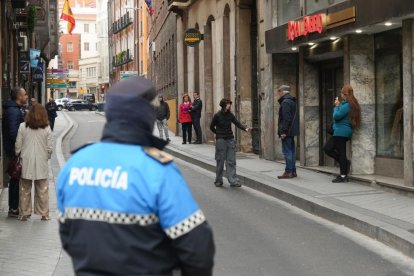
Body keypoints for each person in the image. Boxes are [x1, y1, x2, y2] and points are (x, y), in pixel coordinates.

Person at [57, 77, 215, 275]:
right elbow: (196, 246)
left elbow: (67, 235)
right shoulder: (156, 170)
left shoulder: (74, 165)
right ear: (145, 115)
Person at [15, 104, 53, 221]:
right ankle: (44, 213)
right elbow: (50, 147)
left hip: (26, 161)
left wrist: (18, 154)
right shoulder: (47, 127)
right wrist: (46, 156)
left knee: (24, 189)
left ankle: (24, 213)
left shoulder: (22, 126)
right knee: (43, 189)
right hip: (41, 161)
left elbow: (18, 145)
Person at [324, 85, 361, 183]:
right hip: (340, 132)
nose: (340, 95)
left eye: (341, 93)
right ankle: (344, 164)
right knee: (330, 149)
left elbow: (337, 116)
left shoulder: (348, 105)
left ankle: (343, 175)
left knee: (332, 150)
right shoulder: (347, 104)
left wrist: (336, 106)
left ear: (344, 94)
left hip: (341, 132)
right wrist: (339, 106)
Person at [210, 99, 251, 187]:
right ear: (224, 105)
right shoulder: (217, 115)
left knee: (231, 161)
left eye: (229, 104)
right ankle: (218, 180)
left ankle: (233, 180)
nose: (229, 105)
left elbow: (237, 123)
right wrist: (218, 134)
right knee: (220, 161)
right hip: (221, 141)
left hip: (230, 139)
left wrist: (245, 128)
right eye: (228, 104)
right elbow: (211, 126)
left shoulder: (230, 115)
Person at [2, 87, 27, 218]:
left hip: (12, 150)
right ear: (19, 97)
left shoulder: (14, 110)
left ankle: (14, 207)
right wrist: (18, 150)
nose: (26, 96)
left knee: (15, 180)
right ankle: (13, 208)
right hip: (14, 151)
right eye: (24, 95)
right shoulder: (13, 111)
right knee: (15, 180)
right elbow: (13, 134)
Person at [277, 85, 299, 179]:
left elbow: (286, 119)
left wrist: (283, 131)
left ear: (282, 92)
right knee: (291, 151)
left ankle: (288, 171)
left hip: (287, 131)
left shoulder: (285, 102)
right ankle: (293, 171)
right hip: (292, 130)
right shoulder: (292, 101)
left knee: (287, 152)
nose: (278, 94)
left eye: (279, 92)